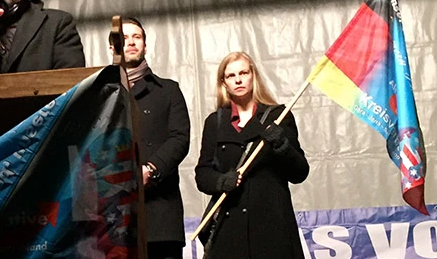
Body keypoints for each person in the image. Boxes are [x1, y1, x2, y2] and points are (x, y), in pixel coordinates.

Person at [194, 51, 309, 258]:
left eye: (243, 73)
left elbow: (300, 172)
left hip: (272, 229)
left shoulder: (279, 116)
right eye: (231, 76)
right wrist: (220, 181)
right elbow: (202, 175)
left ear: (253, 75)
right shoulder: (215, 122)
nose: (238, 79)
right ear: (224, 82)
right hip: (229, 231)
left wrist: (282, 145)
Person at [113, 18, 191, 259]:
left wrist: (151, 169)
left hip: (160, 213)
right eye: (124, 38)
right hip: (114, 215)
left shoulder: (168, 90)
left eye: (137, 37)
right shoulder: (102, 93)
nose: (131, 42)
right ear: (113, 48)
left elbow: (180, 139)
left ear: (145, 45)